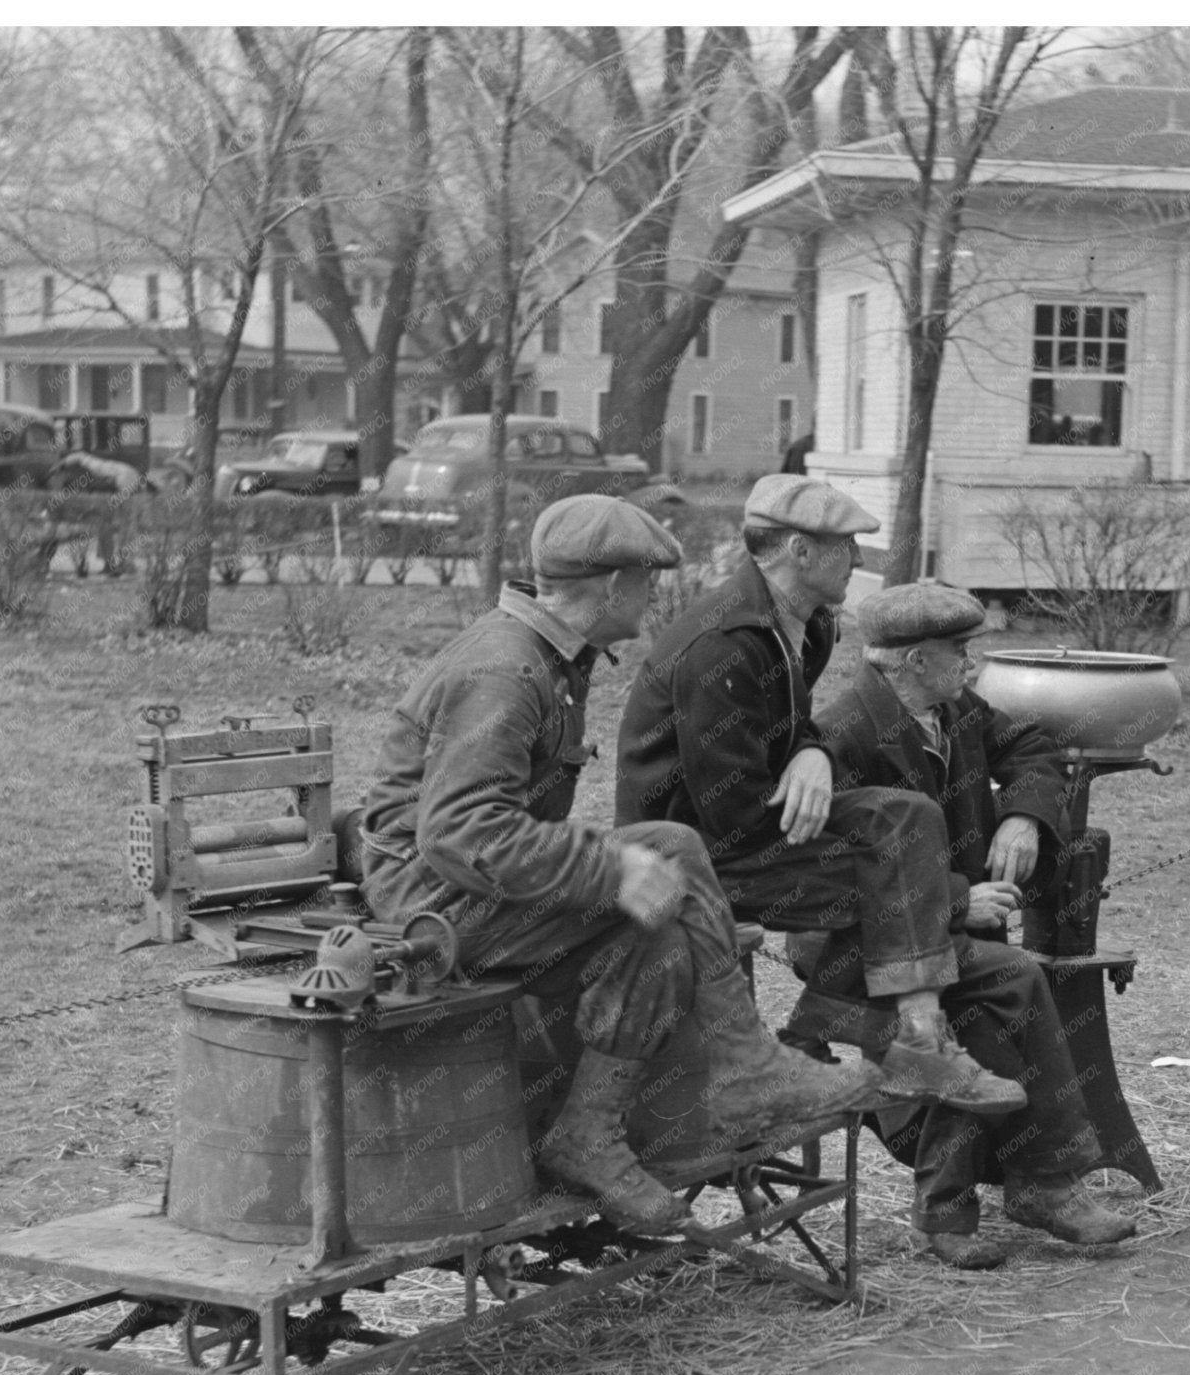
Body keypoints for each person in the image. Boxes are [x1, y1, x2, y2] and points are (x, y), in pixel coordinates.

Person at [359, 493, 878, 1237]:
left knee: (663, 935)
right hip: (433, 906)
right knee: (668, 848)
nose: (654, 594)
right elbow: (459, 834)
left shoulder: (550, 657)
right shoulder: (507, 671)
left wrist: (608, 873)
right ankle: (748, 1067)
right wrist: (607, 871)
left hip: (472, 887)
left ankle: (588, 1136)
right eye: (645, 580)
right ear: (609, 588)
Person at [614, 474, 1024, 1118]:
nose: (859, 561)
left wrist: (814, 751)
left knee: (906, 816)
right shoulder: (724, 644)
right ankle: (878, 1035)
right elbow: (731, 815)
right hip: (689, 856)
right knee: (898, 879)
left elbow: (796, 729)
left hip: (759, 820)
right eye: (846, 547)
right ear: (800, 552)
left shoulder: (807, 625)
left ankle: (890, 1037)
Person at [797, 581, 1140, 1268]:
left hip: (946, 946)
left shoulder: (952, 711)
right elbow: (832, 875)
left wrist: (1022, 814)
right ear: (917, 661)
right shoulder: (843, 735)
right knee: (1006, 983)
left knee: (986, 1028)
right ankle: (1041, 1183)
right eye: (960, 651)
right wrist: (959, 901)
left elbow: (1033, 748)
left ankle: (961, 1210)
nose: (971, 666)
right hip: (862, 952)